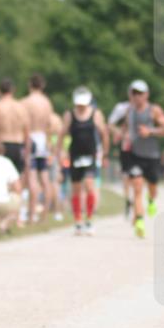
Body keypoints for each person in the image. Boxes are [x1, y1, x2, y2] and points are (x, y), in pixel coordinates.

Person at [118, 80, 164, 239]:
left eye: (140, 93)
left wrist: (150, 131)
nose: (137, 97)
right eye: (134, 93)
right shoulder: (129, 111)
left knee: (152, 187)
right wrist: (122, 135)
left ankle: (151, 200)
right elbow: (125, 128)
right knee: (136, 186)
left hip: (152, 156)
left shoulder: (153, 111)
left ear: (146, 95)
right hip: (135, 155)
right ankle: (140, 220)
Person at [59, 86, 109, 235]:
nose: (80, 107)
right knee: (76, 189)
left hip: (90, 155)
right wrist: (60, 152)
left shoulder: (95, 114)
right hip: (75, 155)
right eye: (78, 105)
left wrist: (104, 152)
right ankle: (78, 221)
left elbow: (104, 133)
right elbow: (62, 134)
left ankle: (89, 219)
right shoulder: (70, 115)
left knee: (89, 186)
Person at [20, 74, 54, 223]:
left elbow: (23, 123)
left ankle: (32, 215)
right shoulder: (47, 103)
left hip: (32, 138)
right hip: (43, 138)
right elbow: (49, 124)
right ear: (43, 85)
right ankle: (45, 214)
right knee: (45, 179)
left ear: (29, 84)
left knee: (32, 177)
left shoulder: (26, 102)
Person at [108, 90, 136, 218]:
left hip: (140, 146)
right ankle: (128, 199)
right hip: (126, 145)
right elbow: (110, 124)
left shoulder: (146, 108)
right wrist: (119, 132)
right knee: (126, 174)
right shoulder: (122, 108)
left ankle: (136, 200)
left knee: (136, 175)